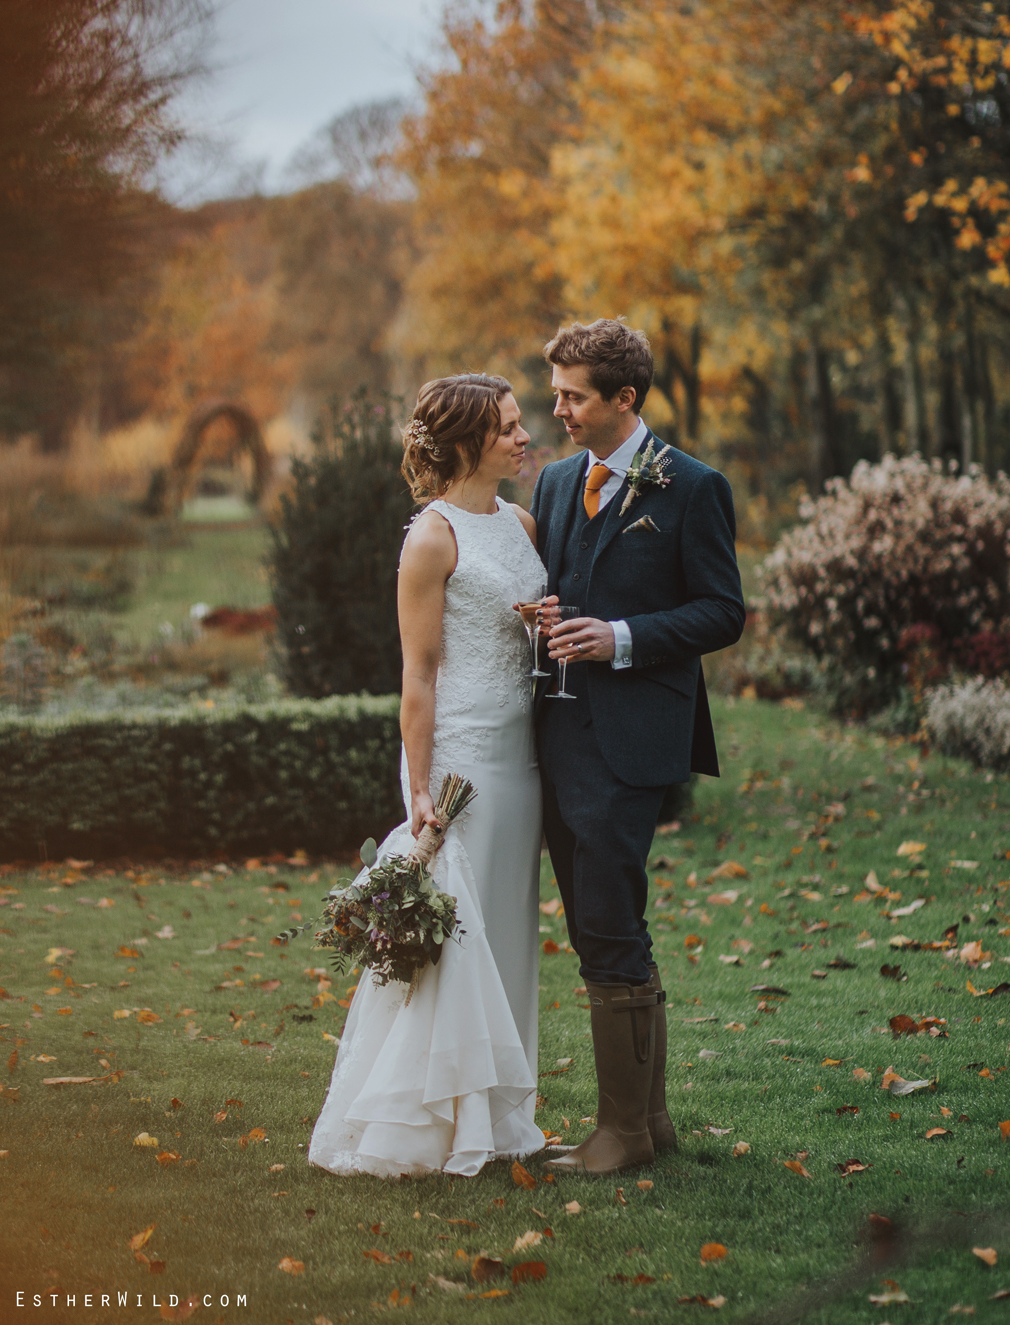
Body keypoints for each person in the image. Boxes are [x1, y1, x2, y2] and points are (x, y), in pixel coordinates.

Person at [307, 374, 549, 1179]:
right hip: (460, 761)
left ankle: (501, 1114)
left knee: (506, 934)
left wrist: (545, 626)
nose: (524, 437)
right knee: (457, 941)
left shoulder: (520, 523)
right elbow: (417, 674)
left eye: (522, 424)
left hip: (521, 761)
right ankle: (427, 1127)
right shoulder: (431, 537)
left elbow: (527, 636)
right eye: (508, 428)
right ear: (467, 443)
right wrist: (418, 791)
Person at [530, 319, 745, 1175]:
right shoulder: (551, 483)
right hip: (555, 736)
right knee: (600, 925)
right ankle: (647, 1124)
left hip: (630, 741)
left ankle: (618, 1131)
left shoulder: (690, 487)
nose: (558, 410)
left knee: (607, 919)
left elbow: (721, 611)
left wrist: (618, 636)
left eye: (573, 395)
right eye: (553, 393)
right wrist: (541, 615)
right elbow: (555, 585)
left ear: (624, 398)